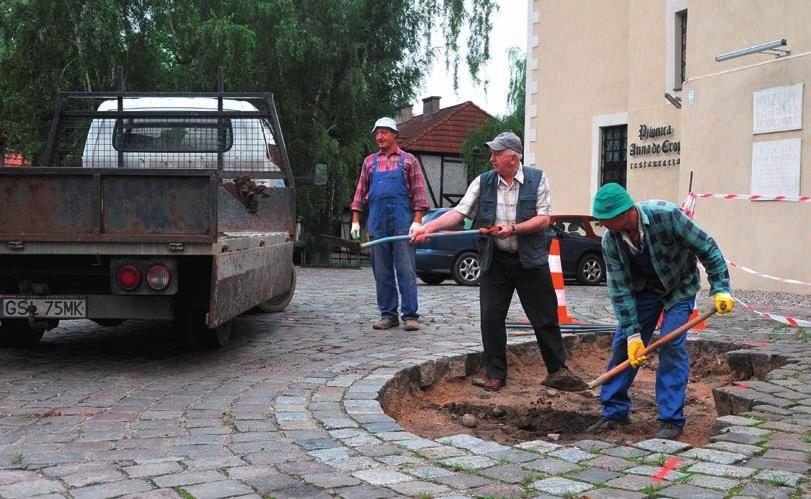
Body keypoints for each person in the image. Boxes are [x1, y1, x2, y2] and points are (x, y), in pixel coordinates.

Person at [411, 132, 586, 392]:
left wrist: (513, 228)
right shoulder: (483, 182)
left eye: (497, 153)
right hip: (496, 260)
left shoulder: (537, 179)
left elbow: (544, 220)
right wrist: (428, 227)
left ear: (513, 158)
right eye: (492, 153)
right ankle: (496, 374)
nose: (492, 158)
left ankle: (558, 372)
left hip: (530, 261)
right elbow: (460, 212)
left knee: (545, 317)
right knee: (491, 318)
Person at [586, 183, 734, 439]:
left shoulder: (667, 215)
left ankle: (671, 420)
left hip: (679, 288)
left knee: (671, 346)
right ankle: (614, 411)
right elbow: (620, 289)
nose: (603, 226)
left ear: (625, 212)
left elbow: (707, 247)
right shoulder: (612, 241)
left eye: (606, 220)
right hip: (644, 291)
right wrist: (633, 335)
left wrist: (721, 287)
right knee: (624, 345)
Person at [351, 117, 428, 331]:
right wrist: (356, 222)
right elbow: (360, 194)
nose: (380, 137)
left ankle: (410, 315)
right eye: (377, 133)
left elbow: (419, 194)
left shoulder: (408, 160)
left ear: (395, 135)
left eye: (384, 132)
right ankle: (388, 314)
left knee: (406, 269)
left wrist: (417, 222)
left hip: (402, 224)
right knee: (382, 271)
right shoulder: (369, 162)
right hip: (377, 223)